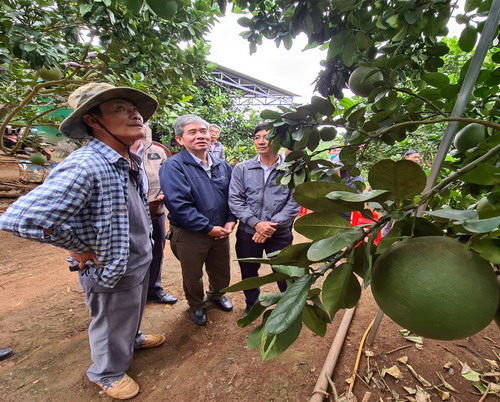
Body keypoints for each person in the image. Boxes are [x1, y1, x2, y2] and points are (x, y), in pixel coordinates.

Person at [0, 82, 165, 400]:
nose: (134, 114)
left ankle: (132, 338)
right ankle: (108, 372)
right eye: (120, 108)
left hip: (134, 258)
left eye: (133, 109)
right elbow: (20, 219)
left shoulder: (124, 160)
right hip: (111, 265)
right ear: (93, 120)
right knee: (111, 318)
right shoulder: (87, 165)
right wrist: (77, 246)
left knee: (128, 311)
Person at [159, 114, 236, 326]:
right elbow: (179, 205)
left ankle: (217, 295)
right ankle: (197, 305)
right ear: (180, 140)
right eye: (192, 132)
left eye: (203, 131)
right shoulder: (173, 166)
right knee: (192, 274)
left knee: (221, 269)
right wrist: (208, 227)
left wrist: (230, 219)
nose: (200, 136)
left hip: (221, 230)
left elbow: (232, 196)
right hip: (191, 233)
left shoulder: (222, 165)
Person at [228, 123, 300, 314]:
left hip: (280, 233)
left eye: (267, 137)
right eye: (257, 137)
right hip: (248, 233)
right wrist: (256, 224)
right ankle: (252, 305)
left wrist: (270, 227)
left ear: (278, 140)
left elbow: (295, 202)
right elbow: (235, 200)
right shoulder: (242, 169)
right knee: (249, 272)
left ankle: (288, 308)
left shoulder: (291, 169)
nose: (261, 141)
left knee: (284, 271)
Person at [130, 126, 178, 305]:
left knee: (156, 251)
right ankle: (133, 293)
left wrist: (165, 194)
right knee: (132, 254)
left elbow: (168, 178)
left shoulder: (157, 151)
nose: (139, 125)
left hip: (155, 212)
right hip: (128, 216)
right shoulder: (116, 150)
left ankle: (153, 289)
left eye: (142, 121)